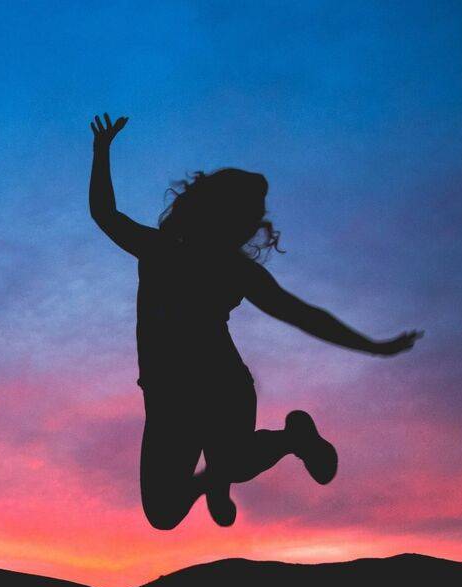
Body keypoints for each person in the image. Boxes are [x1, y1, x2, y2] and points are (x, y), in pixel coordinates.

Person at [89, 112, 422, 530]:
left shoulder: (234, 270)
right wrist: (101, 151)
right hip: (166, 393)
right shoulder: (160, 248)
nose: (251, 228)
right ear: (218, 214)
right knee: (163, 512)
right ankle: (216, 479)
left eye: (252, 219)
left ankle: (291, 440)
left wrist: (372, 346)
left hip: (220, 384)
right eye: (247, 217)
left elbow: (301, 314)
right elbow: (105, 214)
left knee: (235, 460)